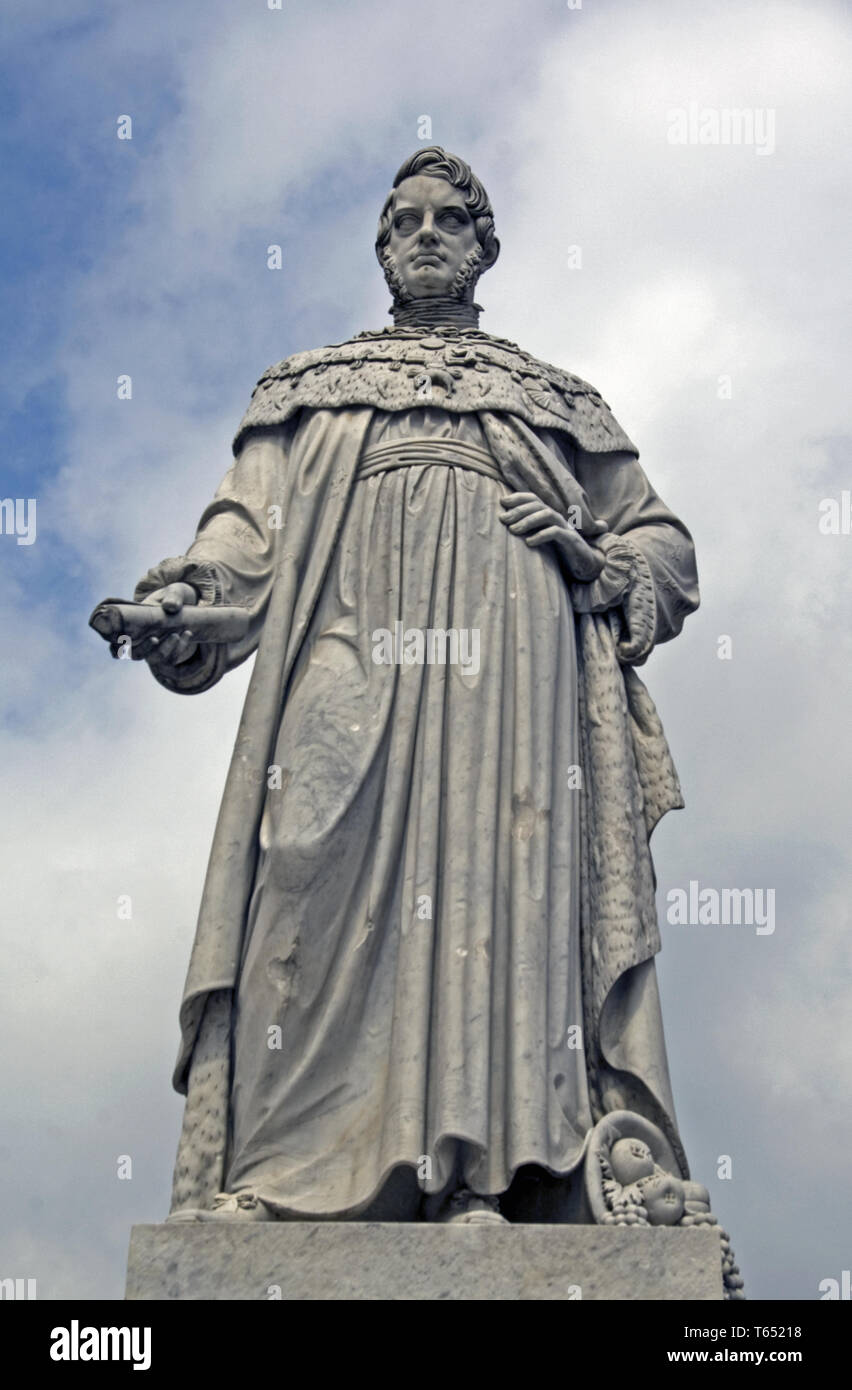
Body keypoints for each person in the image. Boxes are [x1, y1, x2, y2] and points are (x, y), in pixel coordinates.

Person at [115, 147, 700, 1224]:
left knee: (492, 898)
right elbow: (247, 530)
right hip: (352, 645)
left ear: (484, 247)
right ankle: (283, 1178)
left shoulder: (553, 396)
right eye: (405, 220)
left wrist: (593, 554)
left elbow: (660, 538)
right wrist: (189, 596)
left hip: (509, 674)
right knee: (303, 863)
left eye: (449, 219)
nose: (426, 233)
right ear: (382, 247)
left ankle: (483, 1173)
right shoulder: (307, 386)